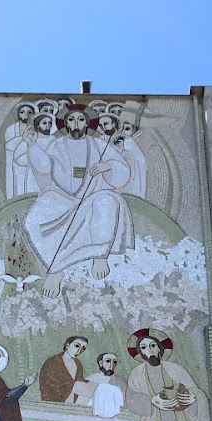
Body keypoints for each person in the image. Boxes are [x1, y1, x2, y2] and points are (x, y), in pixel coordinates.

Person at [24, 105, 134, 296]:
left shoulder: (99, 145)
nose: (76, 123)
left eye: (81, 119)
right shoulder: (56, 145)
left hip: (93, 196)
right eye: (71, 120)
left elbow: (122, 171)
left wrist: (107, 166)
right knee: (35, 217)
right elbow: (44, 166)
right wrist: (32, 144)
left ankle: (99, 255)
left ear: (87, 123)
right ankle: (55, 269)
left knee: (108, 202)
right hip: (62, 197)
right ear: (65, 124)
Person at [38, 335, 91, 404]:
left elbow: (80, 380)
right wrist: (73, 386)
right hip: (55, 398)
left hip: (73, 397)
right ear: (67, 345)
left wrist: (88, 383)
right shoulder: (53, 361)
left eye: (83, 348)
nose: (79, 351)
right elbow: (47, 383)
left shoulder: (78, 364)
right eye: (77, 346)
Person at [4, 102, 37, 197]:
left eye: (29, 112)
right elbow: (9, 146)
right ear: (18, 114)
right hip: (14, 164)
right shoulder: (11, 129)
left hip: (30, 163)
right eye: (22, 112)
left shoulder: (35, 128)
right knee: (17, 186)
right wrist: (24, 137)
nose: (26, 115)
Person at [88, 352, 126, 418]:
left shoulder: (120, 383)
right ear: (101, 363)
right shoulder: (91, 379)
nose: (111, 365)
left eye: (114, 362)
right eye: (108, 361)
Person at [115, 119, 147, 196]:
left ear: (133, 131)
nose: (123, 132)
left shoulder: (128, 142)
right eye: (121, 128)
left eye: (127, 129)